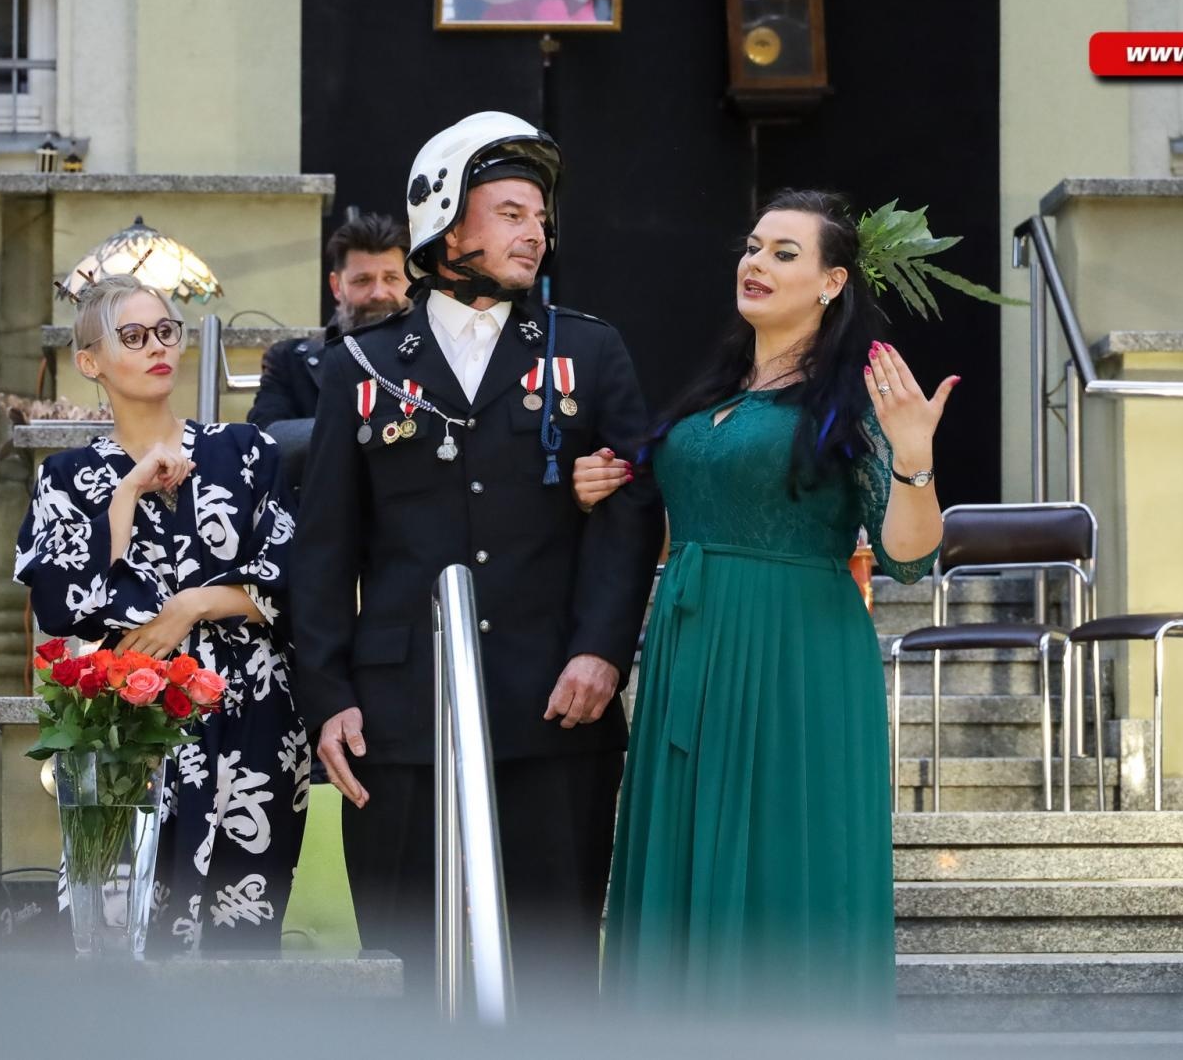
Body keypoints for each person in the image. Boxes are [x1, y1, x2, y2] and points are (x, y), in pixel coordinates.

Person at [291, 111, 663, 1001]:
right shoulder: (361, 366)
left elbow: (631, 513)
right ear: (448, 224)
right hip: (398, 718)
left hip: (554, 704)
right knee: (405, 970)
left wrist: (602, 651)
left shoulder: (590, 350)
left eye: (540, 217)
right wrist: (328, 698)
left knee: (554, 969)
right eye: (511, 213)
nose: (536, 232)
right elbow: (324, 547)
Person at [581, 189, 952, 1015]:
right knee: (685, 861)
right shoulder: (717, 388)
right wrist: (602, 482)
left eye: (785, 253)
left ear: (832, 282)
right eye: (753, 247)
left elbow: (909, 556)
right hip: (691, 649)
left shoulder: (853, 396)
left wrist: (914, 457)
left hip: (795, 657)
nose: (757, 263)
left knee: (786, 863)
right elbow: (676, 507)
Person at [15, 274, 307, 952]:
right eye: (133, 335)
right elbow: (60, 603)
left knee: (241, 932)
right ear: (90, 361)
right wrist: (125, 493)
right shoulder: (66, 477)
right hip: (127, 717)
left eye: (166, 331)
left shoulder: (247, 451)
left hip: (250, 714)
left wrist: (192, 605)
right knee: (117, 926)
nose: (157, 346)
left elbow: (295, 579)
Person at [247, 212, 410, 434]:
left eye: (391, 278)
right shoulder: (289, 363)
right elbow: (266, 435)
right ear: (336, 286)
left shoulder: (439, 354)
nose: (378, 293)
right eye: (363, 280)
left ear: (409, 283)